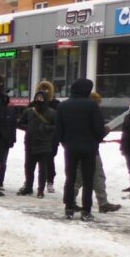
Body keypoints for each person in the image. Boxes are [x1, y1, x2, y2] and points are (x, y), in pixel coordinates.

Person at [55, 79, 106, 221]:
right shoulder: (92, 105)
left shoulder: (63, 106)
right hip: (89, 147)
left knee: (70, 178)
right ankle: (86, 210)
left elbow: (58, 129)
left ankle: (69, 208)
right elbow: (98, 127)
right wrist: (96, 139)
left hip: (70, 147)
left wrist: (65, 142)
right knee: (88, 179)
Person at [74, 92, 122, 213]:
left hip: (76, 150)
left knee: (77, 177)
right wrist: (106, 129)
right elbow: (97, 134)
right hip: (91, 151)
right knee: (97, 176)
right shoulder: (93, 115)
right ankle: (103, 203)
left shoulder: (76, 113)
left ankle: (71, 201)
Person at [17, 91, 56, 199]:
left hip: (44, 143)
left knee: (42, 168)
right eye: (37, 98)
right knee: (29, 166)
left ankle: (40, 190)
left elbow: (56, 127)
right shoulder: (29, 111)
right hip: (30, 142)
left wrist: (46, 129)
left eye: (41, 98)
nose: (38, 100)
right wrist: (28, 128)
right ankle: (28, 187)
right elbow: (20, 123)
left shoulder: (52, 113)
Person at [33, 81, 61, 193]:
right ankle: (31, 182)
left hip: (51, 137)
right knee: (34, 160)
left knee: (49, 159)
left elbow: (58, 122)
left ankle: (50, 181)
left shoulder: (56, 104)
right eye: (41, 88)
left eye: (46, 89)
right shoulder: (34, 104)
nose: (44, 91)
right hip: (36, 137)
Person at [0, 93, 17, 189]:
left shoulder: (10, 111)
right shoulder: (10, 110)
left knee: (2, 162)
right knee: (2, 162)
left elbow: (13, 126)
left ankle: (0, 181)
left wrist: (13, 139)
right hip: (3, 140)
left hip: (5, 140)